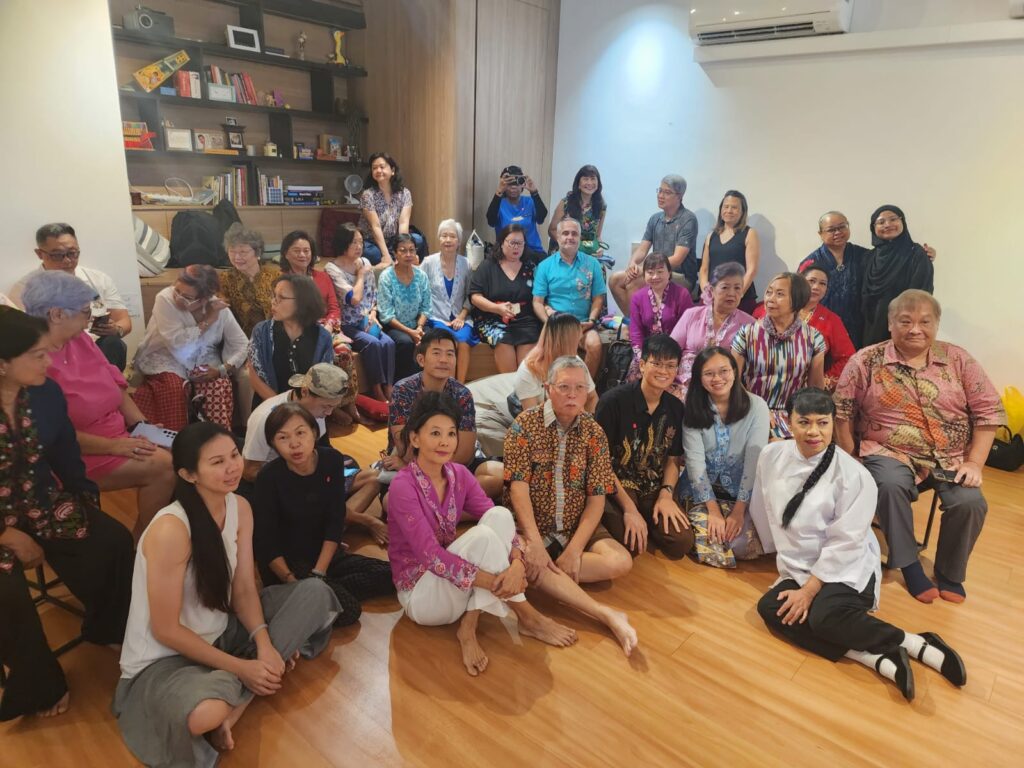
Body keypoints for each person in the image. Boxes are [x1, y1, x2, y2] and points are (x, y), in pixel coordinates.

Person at [113, 422, 341, 767]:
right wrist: (242, 667)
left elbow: (244, 588)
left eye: (234, 455)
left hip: (223, 630)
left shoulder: (240, 507)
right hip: (167, 658)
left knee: (315, 593)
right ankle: (249, 679)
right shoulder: (170, 529)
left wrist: (263, 644)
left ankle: (239, 704)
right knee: (203, 715)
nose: (233, 467)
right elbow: (166, 630)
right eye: (217, 462)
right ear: (188, 474)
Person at [751, 388, 967, 702]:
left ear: (832, 424)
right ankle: (874, 657)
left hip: (845, 566)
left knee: (823, 617)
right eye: (804, 422)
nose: (813, 432)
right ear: (788, 421)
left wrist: (809, 591)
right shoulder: (771, 456)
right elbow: (767, 508)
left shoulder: (854, 475)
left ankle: (917, 643)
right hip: (798, 564)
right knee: (770, 607)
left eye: (823, 423)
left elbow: (846, 541)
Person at [0, 306, 133, 721]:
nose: (49, 362)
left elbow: (64, 452)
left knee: (112, 541)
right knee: (6, 592)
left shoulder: (44, 393)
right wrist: (6, 535)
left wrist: (84, 498)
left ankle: (108, 626)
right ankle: (39, 683)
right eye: (38, 355)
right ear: (3, 363)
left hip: (40, 499)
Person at [387, 392, 577, 675]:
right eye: (435, 433)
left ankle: (469, 626)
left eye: (451, 433)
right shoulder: (402, 487)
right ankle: (527, 615)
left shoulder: (459, 475)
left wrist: (516, 564)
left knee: (499, 515)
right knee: (483, 538)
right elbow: (431, 558)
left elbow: (499, 521)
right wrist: (500, 583)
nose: (445, 442)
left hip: (454, 585)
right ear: (415, 439)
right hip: (422, 596)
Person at [834, 290, 1003, 604]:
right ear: (890, 323)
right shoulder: (867, 360)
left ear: (936, 324)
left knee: (970, 502)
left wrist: (974, 463)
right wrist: (850, 457)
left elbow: (988, 412)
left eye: (925, 322)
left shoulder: (958, 359)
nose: (915, 329)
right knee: (889, 484)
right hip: (887, 450)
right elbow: (842, 412)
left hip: (950, 456)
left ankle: (950, 572)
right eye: (905, 321)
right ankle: (909, 564)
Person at [21, 271, 175, 537]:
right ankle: (144, 545)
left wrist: (142, 426)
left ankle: (156, 540)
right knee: (165, 467)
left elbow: (116, 386)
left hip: (115, 435)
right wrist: (116, 445)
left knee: (185, 449)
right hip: (74, 452)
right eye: (85, 311)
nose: (90, 318)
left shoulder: (79, 339)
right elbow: (51, 434)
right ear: (57, 314)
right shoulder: (31, 361)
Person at [504, 356, 638, 657]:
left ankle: (544, 573)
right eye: (564, 387)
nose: (572, 395)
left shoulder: (594, 432)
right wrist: (534, 541)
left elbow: (596, 498)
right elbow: (518, 488)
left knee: (621, 562)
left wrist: (575, 549)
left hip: (575, 523)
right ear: (548, 388)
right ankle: (604, 613)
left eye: (580, 388)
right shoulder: (524, 425)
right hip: (533, 525)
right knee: (524, 558)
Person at [253, 402, 394, 626]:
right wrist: (290, 579)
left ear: (314, 432)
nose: (294, 444)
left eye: (300, 433)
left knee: (391, 575)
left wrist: (319, 572)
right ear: (273, 444)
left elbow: (335, 518)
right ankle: (301, 593)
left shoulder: (332, 460)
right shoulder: (268, 478)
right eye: (283, 438)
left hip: (324, 555)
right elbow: (266, 542)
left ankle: (319, 590)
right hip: (289, 563)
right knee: (349, 611)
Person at [242, 364, 387, 545]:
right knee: (317, 496)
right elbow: (249, 471)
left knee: (376, 478)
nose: (329, 413)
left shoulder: (316, 411)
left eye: (334, 407)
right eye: (326, 406)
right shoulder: (266, 417)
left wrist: (326, 473)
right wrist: (294, 475)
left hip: (312, 473)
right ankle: (341, 528)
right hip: (284, 483)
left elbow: (321, 450)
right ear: (304, 392)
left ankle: (327, 530)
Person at [596, 334, 693, 559]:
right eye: (656, 363)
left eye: (670, 365)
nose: (663, 371)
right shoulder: (612, 402)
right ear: (641, 364)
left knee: (681, 543)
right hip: (617, 484)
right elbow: (600, 464)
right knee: (630, 545)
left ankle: (646, 520)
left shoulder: (676, 408)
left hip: (653, 485)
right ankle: (624, 517)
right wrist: (629, 509)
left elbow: (673, 459)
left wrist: (666, 494)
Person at [384, 328, 504, 498]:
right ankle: (455, 503)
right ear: (421, 359)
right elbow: (405, 448)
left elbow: (464, 453)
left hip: (454, 465)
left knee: (500, 476)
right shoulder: (403, 390)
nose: (443, 360)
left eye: (450, 354)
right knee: (393, 499)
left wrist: (441, 477)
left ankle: (440, 504)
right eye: (436, 353)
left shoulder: (462, 394)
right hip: (413, 463)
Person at [681, 346, 770, 567]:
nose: (717, 379)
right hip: (701, 495)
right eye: (709, 373)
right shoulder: (692, 407)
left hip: (741, 495)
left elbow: (754, 461)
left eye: (724, 371)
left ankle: (718, 541)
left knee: (742, 544)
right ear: (699, 378)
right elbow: (694, 463)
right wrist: (713, 511)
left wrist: (739, 511)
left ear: (734, 371)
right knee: (714, 536)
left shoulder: (757, 406)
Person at [132, 264, 248, 431]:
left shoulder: (219, 309)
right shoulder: (165, 298)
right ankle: (174, 439)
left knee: (217, 385)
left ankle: (214, 439)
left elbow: (242, 344)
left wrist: (221, 370)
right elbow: (176, 342)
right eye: (177, 290)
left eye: (186, 297)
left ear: (204, 299)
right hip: (167, 356)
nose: (178, 298)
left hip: (203, 359)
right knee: (173, 387)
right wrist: (207, 321)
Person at [799, 210, 936, 349]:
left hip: (861, 330)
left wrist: (923, 255)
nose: (838, 232)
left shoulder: (864, 256)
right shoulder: (810, 264)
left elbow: (890, 264)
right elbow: (801, 301)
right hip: (824, 329)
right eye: (831, 229)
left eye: (842, 226)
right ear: (820, 234)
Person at [8, 222, 132, 369]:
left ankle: (104, 380)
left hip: (96, 346)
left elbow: (124, 320)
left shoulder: (99, 280)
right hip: (55, 352)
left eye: (72, 253)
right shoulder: (24, 289)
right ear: (40, 254)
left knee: (114, 343)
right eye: (57, 255)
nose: (67, 260)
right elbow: (24, 339)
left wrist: (116, 329)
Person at [732, 272, 826, 439]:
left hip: (794, 413)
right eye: (769, 292)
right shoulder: (747, 334)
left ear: (797, 300)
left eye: (780, 294)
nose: (770, 299)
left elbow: (815, 390)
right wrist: (758, 409)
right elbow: (732, 381)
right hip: (749, 408)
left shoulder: (813, 338)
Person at [756, 261, 855, 389]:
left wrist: (823, 381)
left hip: (805, 390)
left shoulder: (831, 320)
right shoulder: (767, 309)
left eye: (822, 284)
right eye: (811, 281)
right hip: (762, 380)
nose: (816, 287)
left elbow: (847, 358)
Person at [609, 175, 698, 314]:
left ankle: (638, 324)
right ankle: (634, 321)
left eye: (667, 192)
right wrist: (632, 263)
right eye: (660, 190)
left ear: (679, 196)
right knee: (615, 280)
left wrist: (647, 269)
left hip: (680, 275)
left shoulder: (688, 219)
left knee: (634, 283)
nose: (660, 196)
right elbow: (642, 249)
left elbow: (677, 259)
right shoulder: (655, 219)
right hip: (656, 271)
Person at [325, 223, 395, 402]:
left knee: (389, 343)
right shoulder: (332, 268)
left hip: (366, 319)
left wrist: (373, 313)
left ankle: (388, 387)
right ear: (343, 244)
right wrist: (361, 275)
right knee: (373, 344)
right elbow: (354, 299)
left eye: (361, 242)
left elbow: (373, 295)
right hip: (346, 324)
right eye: (354, 242)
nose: (359, 246)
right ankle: (376, 389)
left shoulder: (365, 262)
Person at [532, 218, 606, 378]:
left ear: (580, 237)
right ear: (558, 237)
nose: (570, 237)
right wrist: (550, 323)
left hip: (583, 325)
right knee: (557, 358)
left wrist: (591, 321)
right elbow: (538, 302)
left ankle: (585, 386)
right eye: (565, 233)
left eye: (574, 234)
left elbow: (598, 298)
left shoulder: (593, 264)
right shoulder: (545, 266)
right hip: (557, 326)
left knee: (595, 345)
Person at [670, 261, 754, 400]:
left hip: (721, 387)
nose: (732, 293)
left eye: (737, 288)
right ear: (712, 290)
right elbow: (670, 351)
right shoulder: (692, 315)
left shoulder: (749, 324)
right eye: (725, 287)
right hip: (684, 384)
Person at [248, 274, 334, 405]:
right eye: (274, 296)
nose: (273, 301)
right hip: (270, 407)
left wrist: (303, 410)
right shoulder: (262, 332)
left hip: (308, 409)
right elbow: (255, 379)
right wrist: (284, 407)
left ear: (302, 301)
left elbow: (323, 383)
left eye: (281, 297)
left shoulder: (322, 337)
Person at [469, 223, 542, 373]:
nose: (516, 247)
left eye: (520, 243)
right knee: (503, 344)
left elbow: (540, 297)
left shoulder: (531, 267)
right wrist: (497, 308)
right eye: (512, 243)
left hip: (525, 320)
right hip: (494, 319)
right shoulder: (488, 266)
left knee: (525, 372)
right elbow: (475, 296)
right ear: (502, 243)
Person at [860, 205, 935, 347]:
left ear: (903, 222)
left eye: (893, 219)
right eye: (881, 222)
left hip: (904, 329)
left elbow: (922, 295)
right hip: (870, 327)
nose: (887, 225)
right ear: (873, 228)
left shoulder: (916, 254)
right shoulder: (868, 258)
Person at [420, 219, 477, 383]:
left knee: (463, 342)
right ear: (439, 239)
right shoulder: (428, 262)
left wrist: (461, 316)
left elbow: (470, 294)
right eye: (444, 236)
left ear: (459, 241)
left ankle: (460, 385)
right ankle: (447, 385)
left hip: (461, 317)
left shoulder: (466, 263)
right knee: (448, 344)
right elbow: (420, 290)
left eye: (452, 236)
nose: (448, 240)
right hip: (436, 317)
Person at [627, 252, 693, 382]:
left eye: (660, 271)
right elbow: (635, 332)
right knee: (636, 379)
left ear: (669, 273)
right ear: (644, 275)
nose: (655, 276)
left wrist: (671, 356)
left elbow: (688, 329)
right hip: (648, 352)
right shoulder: (637, 297)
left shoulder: (682, 294)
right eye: (650, 272)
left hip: (676, 350)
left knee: (679, 380)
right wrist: (642, 356)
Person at [515, 312, 598, 412]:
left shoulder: (575, 361)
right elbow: (531, 416)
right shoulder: (529, 369)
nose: (579, 343)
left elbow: (592, 397)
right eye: (577, 340)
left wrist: (592, 420)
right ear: (567, 342)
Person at [377, 234, 432, 381]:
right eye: (403, 250)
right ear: (395, 253)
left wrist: (419, 327)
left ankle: (427, 383)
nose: (408, 254)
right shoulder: (386, 277)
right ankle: (404, 385)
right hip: (395, 327)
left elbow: (426, 307)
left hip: (416, 325)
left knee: (430, 338)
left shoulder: (421, 276)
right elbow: (386, 315)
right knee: (406, 343)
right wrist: (410, 332)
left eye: (411, 250)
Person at [698, 190, 760, 314]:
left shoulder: (749, 233)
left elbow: (751, 270)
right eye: (726, 207)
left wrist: (736, 294)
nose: (729, 210)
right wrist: (707, 292)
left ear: (742, 211)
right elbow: (704, 269)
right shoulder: (711, 236)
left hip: (740, 299)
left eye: (734, 207)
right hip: (712, 298)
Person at [358, 152, 423, 266]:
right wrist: (386, 255)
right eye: (374, 168)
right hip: (373, 241)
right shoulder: (368, 195)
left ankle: (398, 256)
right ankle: (391, 257)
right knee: (373, 254)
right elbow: (375, 226)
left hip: (394, 239)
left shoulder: (404, 193)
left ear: (392, 170)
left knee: (418, 239)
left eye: (382, 167)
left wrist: (402, 250)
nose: (378, 170)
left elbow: (403, 223)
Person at [218, 223, 280, 337]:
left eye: (243, 252)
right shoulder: (224, 279)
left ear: (257, 252)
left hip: (274, 336)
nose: (237, 257)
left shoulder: (275, 276)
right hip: (242, 339)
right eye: (232, 251)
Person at [279, 230, 341, 326]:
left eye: (306, 251)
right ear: (286, 254)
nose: (302, 255)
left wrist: (328, 327)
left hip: (326, 327)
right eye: (297, 251)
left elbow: (334, 309)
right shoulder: (281, 281)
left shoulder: (323, 277)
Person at [485, 164, 548, 258]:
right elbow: (491, 221)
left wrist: (534, 192)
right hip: (506, 253)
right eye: (510, 183)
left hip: (532, 252)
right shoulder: (499, 203)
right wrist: (499, 191)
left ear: (522, 184)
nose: (513, 187)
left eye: (517, 183)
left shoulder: (529, 202)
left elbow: (541, 218)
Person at [546, 164, 607, 259]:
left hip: (587, 252)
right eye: (585, 179)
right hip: (564, 249)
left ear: (598, 183)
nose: (589, 183)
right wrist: (570, 246)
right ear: (578, 184)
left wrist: (600, 248)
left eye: (593, 179)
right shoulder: (566, 202)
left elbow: (597, 236)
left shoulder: (601, 206)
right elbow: (552, 230)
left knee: (601, 267)